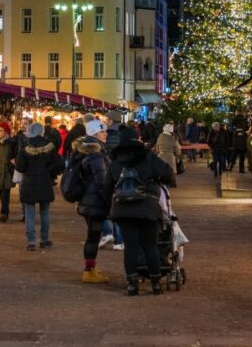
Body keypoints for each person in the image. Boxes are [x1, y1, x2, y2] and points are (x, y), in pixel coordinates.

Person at [106, 130, 175, 296]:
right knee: (150, 245)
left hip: (123, 209)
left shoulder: (115, 160)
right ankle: (155, 283)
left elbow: (107, 185)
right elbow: (166, 172)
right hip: (148, 206)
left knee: (130, 246)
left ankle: (132, 284)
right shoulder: (148, 156)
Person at [68, 118, 112, 283]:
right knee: (93, 237)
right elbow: (102, 182)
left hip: (88, 200)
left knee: (93, 236)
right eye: (102, 131)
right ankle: (89, 271)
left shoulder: (85, 151)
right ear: (94, 133)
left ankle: (91, 269)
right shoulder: (95, 155)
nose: (105, 134)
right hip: (95, 202)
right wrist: (110, 200)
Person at [16, 122, 62, 250]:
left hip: (29, 183)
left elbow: (20, 167)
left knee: (29, 213)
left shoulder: (25, 148)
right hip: (44, 182)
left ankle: (31, 241)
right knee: (45, 212)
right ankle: (44, 239)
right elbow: (59, 164)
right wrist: (49, 173)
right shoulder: (49, 147)